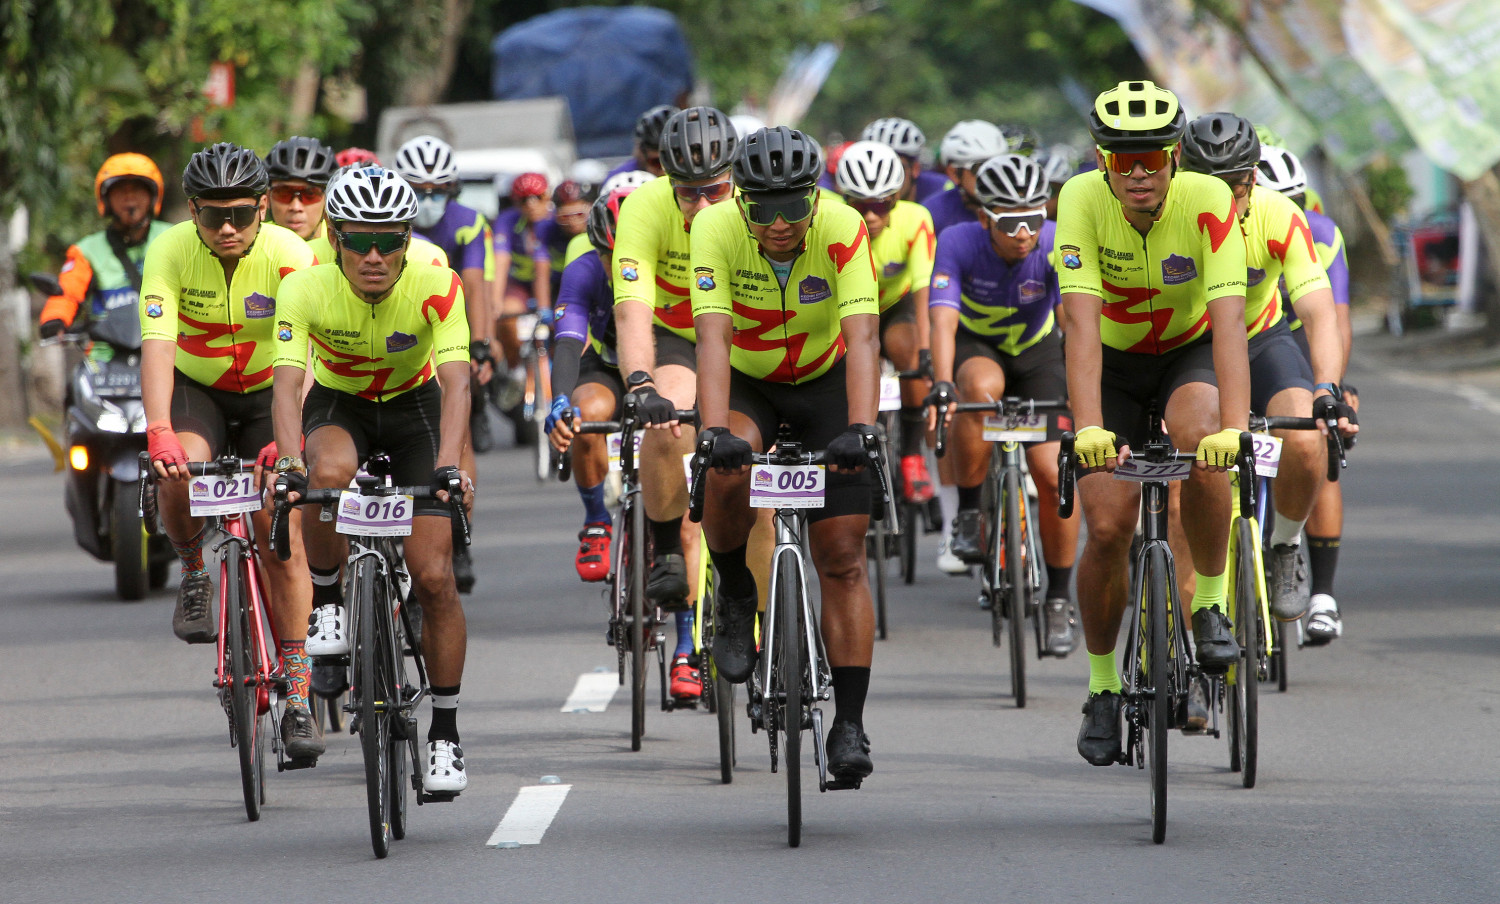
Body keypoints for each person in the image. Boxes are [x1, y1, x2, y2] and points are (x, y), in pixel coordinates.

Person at [1053, 81, 1251, 765]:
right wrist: (1087, 428)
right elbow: (1080, 325)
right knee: (1108, 527)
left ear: (1175, 158)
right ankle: (1102, 688)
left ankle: (1211, 603)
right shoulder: (1080, 199)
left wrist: (1234, 427)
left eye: (1152, 159)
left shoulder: (1210, 200)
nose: (1139, 174)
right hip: (1110, 362)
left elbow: (1230, 322)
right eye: (1123, 160)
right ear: (1101, 160)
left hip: (1186, 352)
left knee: (1204, 435)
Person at [271, 165, 474, 794]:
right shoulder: (304, 287)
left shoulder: (437, 282)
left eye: (389, 241)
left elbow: (458, 384)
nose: (375, 257)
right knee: (326, 475)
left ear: (408, 240)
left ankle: (445, 732)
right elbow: (286, 384)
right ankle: (328, 600)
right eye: (359, 241)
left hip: (417, 412)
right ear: (335, 238)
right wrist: (289, 462)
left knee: (435, 577)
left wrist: (449, 466)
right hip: (341, 405)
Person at [691, 126, 881, 785]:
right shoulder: (714, 227)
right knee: (725, 468)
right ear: (741, 201)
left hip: (828, 382)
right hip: (752, 382)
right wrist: (713, 430)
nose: (778, 224)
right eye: (763, 208)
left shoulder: (843, 226)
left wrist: (861, 427)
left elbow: (863, 336)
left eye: (793, 207)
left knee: (843, 558)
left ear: (815, 199)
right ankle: (736, 591)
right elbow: (712, 337)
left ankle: (849, 724)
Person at [138, 142, 321, 760]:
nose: (227, 228)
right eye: (213, 215)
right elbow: (159, 344)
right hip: (200, 388)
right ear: (192, 210)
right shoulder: (169, 251)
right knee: (176, 471)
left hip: (275, 390)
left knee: (278, 527)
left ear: (263, 208)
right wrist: (158, 429)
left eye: (241, 214)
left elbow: (310, 355)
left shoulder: (290, 255)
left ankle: (298, 694)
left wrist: (287, 437)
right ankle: (194, 571)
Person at [1178, 113, 1355, 625]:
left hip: (1260, 339)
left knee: (1304, 436)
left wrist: (1326, 388)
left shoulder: (1279, 215)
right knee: (1185, 469)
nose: (1223, 203)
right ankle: (1192, 622)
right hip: (1188, 345)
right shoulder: (1165, 219)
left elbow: (1319, 312)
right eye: (1208, 188)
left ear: (1252, 178)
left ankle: (1285, 546)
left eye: (1234, 187)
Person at [925, 154, 1080, 654]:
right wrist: (942, 383)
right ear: (984, 218)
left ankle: (1058, 597)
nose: (1024, 233)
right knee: (977, 389)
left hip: (1038, 352)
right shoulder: (957, 241)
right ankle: (970, 514)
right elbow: (943, 320)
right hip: (980, 347)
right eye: (1010, 223)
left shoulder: (1055, 241)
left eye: (1033, 219)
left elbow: (1073, 320)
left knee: (1053, 473)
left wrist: (1082, 384)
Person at [611, 106, 740, 609]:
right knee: (667, 417)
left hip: (747, 331)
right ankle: (665, 549)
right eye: (688, 192)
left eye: (716, 190)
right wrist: (641, 383)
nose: (703, 204)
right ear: (667, 181)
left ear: (734, 179)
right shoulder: (645, 207)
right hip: (679, 333)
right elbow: (632, 310)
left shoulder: (753, 203)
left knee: (763, 490)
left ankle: (759, 615)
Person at [1258, 143, 1357, 643]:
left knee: (1319, 440)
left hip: (1298, 339)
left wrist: (1332, 389)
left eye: (1296, 201)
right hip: (1243, 338)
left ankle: (1323, 595)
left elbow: (1335, 320)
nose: (1289, 213)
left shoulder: (1320, 233)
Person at [392, 136, 492, 590]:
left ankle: (458, 531)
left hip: (447, 328)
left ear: (453, 189)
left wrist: (482, 346)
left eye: (438, 190)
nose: (428, 199)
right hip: (398, 332)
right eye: (419, 190)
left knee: (456, 427)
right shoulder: (389, 220)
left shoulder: (469, 223)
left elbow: (476, 286)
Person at [835, 140, 938, 506]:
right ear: (844, 199)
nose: (871, 216)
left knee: (909, 351)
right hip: (845, 307)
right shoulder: (830, 219)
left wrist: (926, 351)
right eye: (860, 205)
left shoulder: (915, 218)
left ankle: (911, 456)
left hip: (895, 305)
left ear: (896, 198)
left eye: (881, 205)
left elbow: (924, 289)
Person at [39, 154, 173, 343]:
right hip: (105, 352)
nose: (129, 197)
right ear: (106, 199)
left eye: (137, 189)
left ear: (153, 196)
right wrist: (55, 319)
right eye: (120, 191)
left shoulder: (174, 237)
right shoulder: (86, 251)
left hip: (168, 346)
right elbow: (68, 293)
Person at [923, 120, 1009, 238]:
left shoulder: (1023, 207)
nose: (993, 175)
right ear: (954, 173)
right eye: (980, 168)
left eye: (999, 166)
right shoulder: (933, 214)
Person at [265, 136, 336, 242]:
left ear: (327, 201)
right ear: (267, 198)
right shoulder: (251, 244)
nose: (296, 207)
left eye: (310, 194)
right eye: (283, 193)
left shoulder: (341, 247)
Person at [861, 117, 947, 202]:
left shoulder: (942, 189)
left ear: (915, 169)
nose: (885, 177)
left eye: (893, 169)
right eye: (877, 169)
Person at [605, 105, 676, 182]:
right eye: (656, 163)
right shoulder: (618, 179)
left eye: (672, 161)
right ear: (640, 154)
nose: (664, 171)